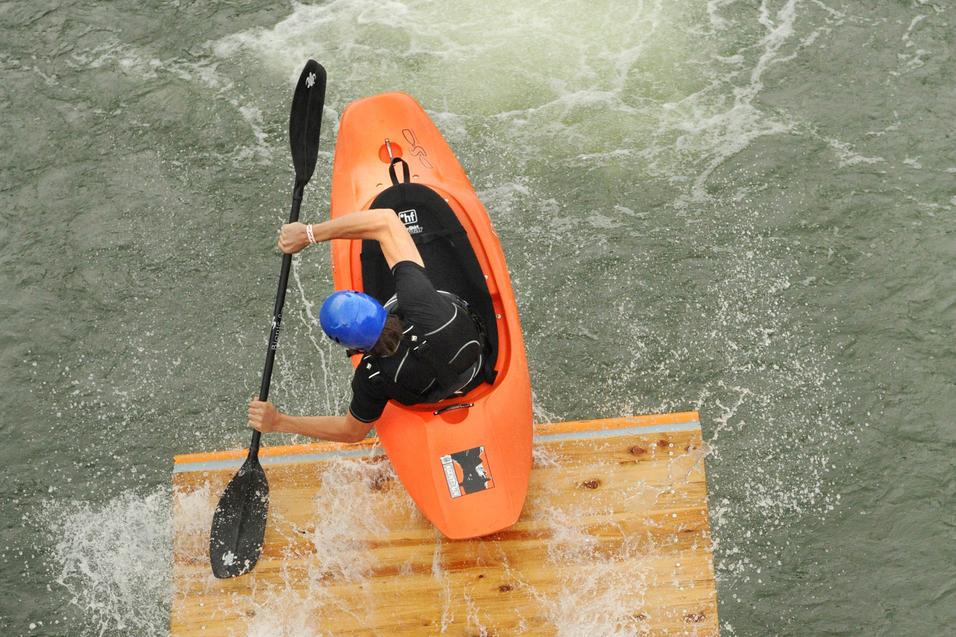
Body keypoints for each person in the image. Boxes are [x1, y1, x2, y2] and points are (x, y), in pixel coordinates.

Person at [247, 208, 485, 442]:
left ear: (350, 346)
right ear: (371, 302)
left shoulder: (372, 377)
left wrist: (279, 422)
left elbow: (352, 432)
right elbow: (386, 220)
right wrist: (309, 234)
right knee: (418, 276)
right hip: (475, 364)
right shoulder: (418, 297)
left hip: (429, 393)